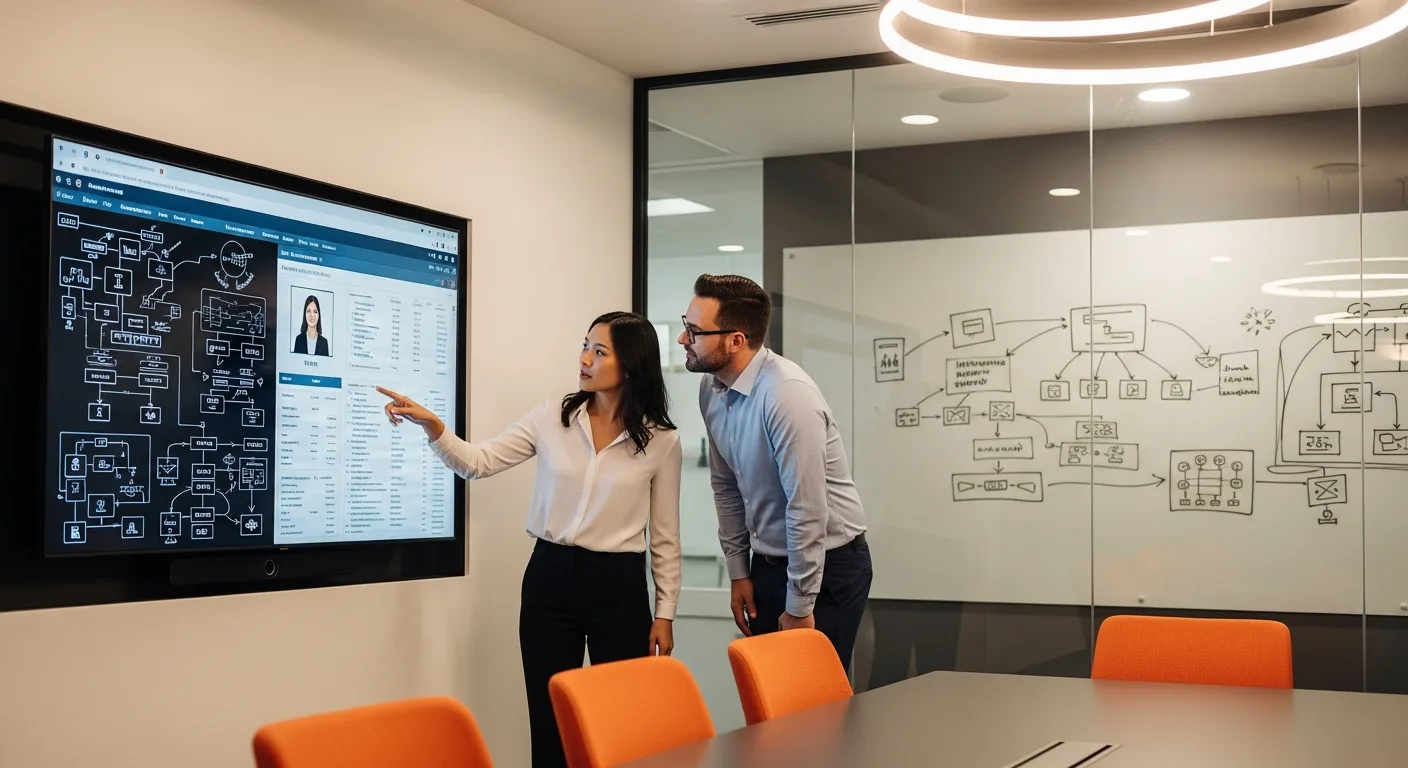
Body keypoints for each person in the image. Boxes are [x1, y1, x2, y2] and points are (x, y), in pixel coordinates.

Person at [376, 311, 681, 768]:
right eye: (584, 345)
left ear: (632, 363)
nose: (584, 358)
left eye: (599, 351)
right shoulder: (553, 417)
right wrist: (433, 426)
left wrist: (665, 613)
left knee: (620, 723)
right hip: (550, 581)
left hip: (619, 589)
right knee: (550, 719)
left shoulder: (662, 441)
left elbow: (665, 538)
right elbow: (477, 462)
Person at [681, 274, 872, 673]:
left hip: (826, 566)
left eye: (694, 331)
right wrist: (738, 572)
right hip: (766, 562)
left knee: (812, 709)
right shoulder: (713, 389)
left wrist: (800, 606)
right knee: (773, 709)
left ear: (735, 340)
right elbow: (726, 485)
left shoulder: (786, 395)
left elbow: (807, 510)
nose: (684, 340)